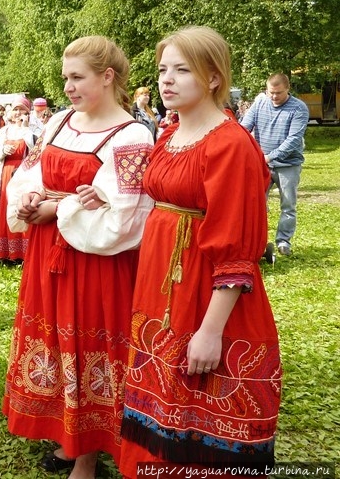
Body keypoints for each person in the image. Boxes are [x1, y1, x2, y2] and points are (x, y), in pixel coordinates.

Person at [119, 26, 281, 475]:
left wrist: (211, 330)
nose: (167, 80)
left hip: (205, 294)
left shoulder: (230, 144)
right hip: (159, 288)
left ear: (213, 77)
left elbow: (238, 248)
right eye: (163, 69)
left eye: (182, 70)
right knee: (162, 396)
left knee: (201, 401)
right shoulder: (168, 135)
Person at [2, 36, 154, 477]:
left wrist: (56, 208)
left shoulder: (132, 136)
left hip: (97, 261)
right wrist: (29, 202)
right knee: (54, 339)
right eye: (65, 77)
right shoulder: (60, 122)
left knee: (90, 345)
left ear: (107, 77)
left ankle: (87, 456)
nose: (68, 87)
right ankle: (66, 438)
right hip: (48, 252)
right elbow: (32, 170)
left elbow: (126, 215)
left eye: (77, 77)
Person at [240, 72, 309, 256]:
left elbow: (294, 139)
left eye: (278, 93)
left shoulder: (299, 108)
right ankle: (257, 241)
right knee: (255, 203)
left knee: (288, 204)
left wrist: (269, 157)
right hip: (262, 165)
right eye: (271, 92)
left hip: (288, 165)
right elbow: (244, 127)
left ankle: (283, 241)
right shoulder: (261, 102)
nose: (274, 96)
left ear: (288, 89)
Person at [0, 97, 34, 263]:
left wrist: (25, 128)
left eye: (22, 110)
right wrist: (2, 150)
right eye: (15, 110)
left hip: (24, 173)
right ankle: (7, 252)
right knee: (7, 208)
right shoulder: (4, 131)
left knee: (22, 207)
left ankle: (23, 253)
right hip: (7, 173)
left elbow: (36, 150)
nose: (18, 113)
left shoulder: (32, 131)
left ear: (27, 113)